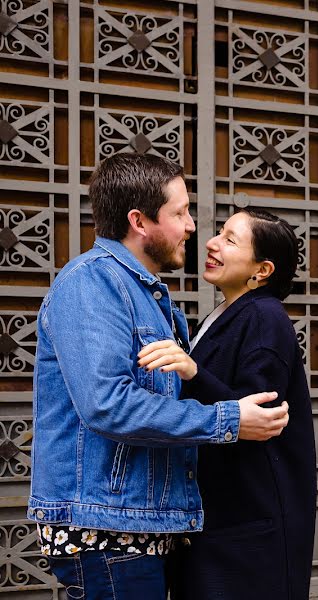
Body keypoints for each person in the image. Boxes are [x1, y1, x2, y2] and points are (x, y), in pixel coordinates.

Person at [28, 153, 290, 600]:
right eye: (180, 212)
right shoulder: (91, 283)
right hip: (106, 531)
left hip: (139, 528)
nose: (193, 227)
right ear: (140, 221)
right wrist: (226, 421)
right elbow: (109, 405)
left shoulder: (149, 295)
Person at [139, 208, 316, 599]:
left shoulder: (266, 317)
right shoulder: (224, 314)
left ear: (263, 269)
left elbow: (259, 415)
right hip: (218, 520)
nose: (211, 243)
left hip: (251, 531)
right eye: (219, 233)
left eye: (230, 239)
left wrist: (191, 372)